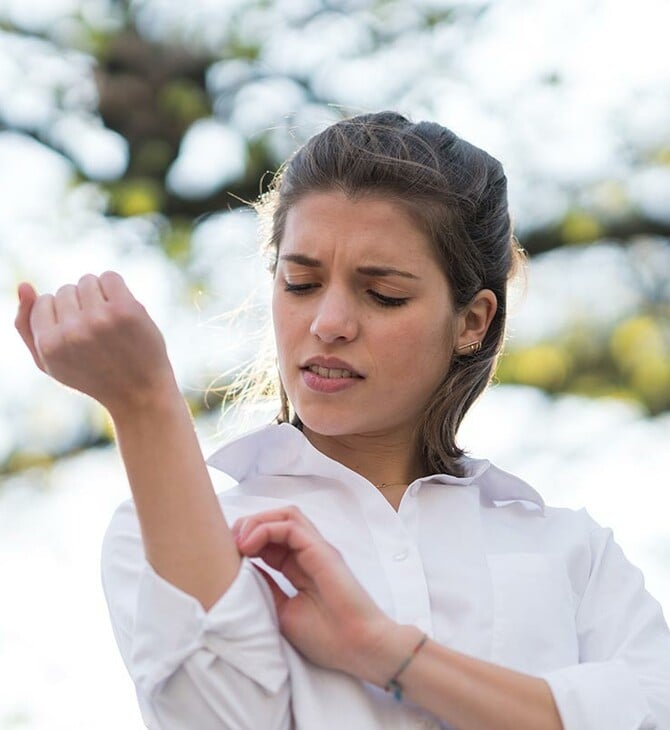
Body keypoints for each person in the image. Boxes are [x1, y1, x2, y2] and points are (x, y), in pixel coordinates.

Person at [14, 112, 670, 730]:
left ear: (471, 321)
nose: (328, 324)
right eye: (300, 283)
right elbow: (220, 716)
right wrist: (144, 402)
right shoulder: (175, 533)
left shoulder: (570, 553)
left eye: (382, 294)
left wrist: (386, 653)